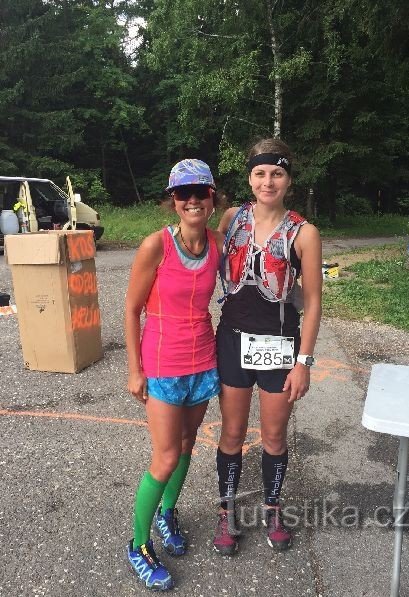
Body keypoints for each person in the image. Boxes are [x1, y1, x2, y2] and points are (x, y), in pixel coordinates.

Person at [213, 138, 322, 555]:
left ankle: (272, 507)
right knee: (232, 433)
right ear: (250, 177)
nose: (268, 180)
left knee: (274, 436)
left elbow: (312, 302)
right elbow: (203, 257)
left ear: (288, 179)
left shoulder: (303, 232)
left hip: (279, 346)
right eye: (260, 172)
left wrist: (304, 361)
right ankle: (226, 511)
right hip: (233, 340)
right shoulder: (231, 218)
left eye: (276, 172)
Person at [125, 159, 224, 590]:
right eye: (183, 194)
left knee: (186, 445)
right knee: (164, 456)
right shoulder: (155, 246)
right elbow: (130, 309)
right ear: (173, 202)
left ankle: (168, 513)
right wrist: (134, 370)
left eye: (200, 191)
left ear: (212, 197)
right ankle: (137, 545)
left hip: (204, 361)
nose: (192, 200)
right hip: (163, 364)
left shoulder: (218, 242)